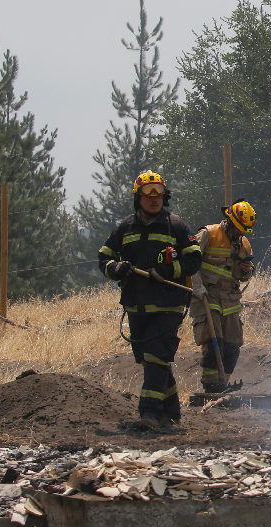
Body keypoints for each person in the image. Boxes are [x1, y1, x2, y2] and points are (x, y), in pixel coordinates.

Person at [98, 171, 202, 428]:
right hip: (137, 305)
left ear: (165, 196)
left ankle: (150, 414)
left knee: (156, 356)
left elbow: (194, 258)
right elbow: (104, 258)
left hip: (169, 305)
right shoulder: (125, 228)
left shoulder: (176, 226)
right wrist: (116, 268)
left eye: (159, 193)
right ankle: (172, 412)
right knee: (149, 359)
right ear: (138, 196)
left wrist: (168, 271)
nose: (155, 198)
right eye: (148, 193)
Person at [189, 200, 256, 393]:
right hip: (207, 296)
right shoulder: (208, 234)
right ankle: (211, 385)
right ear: (229, 221)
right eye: (238, 229)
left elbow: (244, 277)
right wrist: (197, 287)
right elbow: (190, 261)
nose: (240, 234)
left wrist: (245, 269)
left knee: (233, 345)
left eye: (244, 230)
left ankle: (223, 383)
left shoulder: (244, 244)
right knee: (213, 341)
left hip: (231, 300)